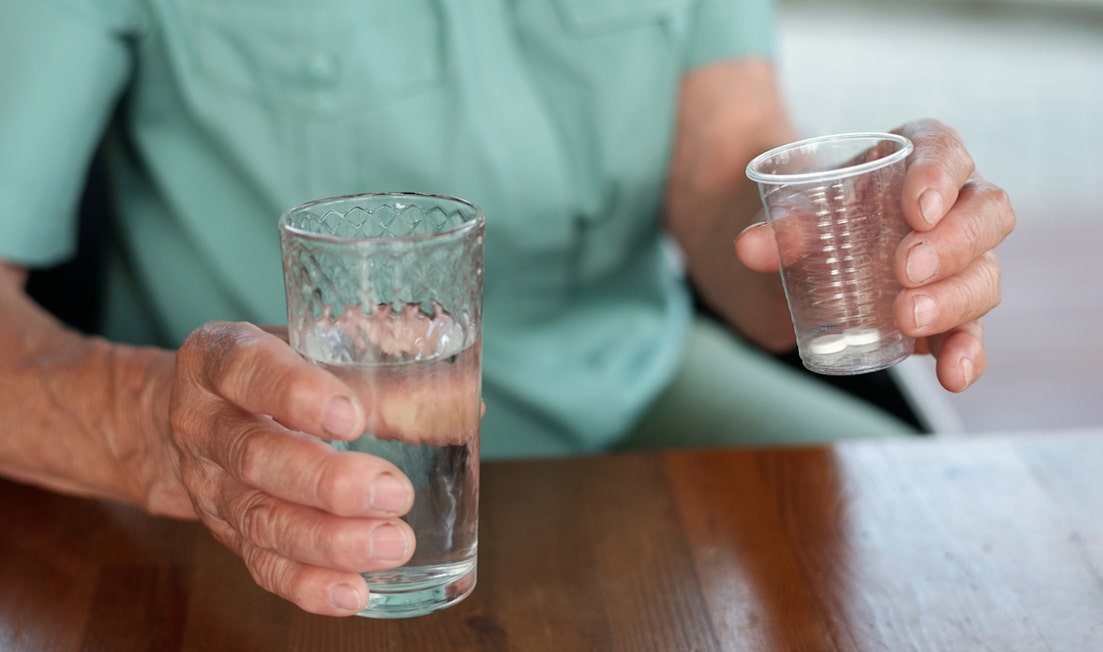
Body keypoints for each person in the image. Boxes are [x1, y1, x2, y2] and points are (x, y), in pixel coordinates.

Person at [0, 0, 1012, 616]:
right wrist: (158, 432)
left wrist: (856, 245)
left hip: (635, 382)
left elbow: (720, 166)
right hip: (291, 475)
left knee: (951, 551)